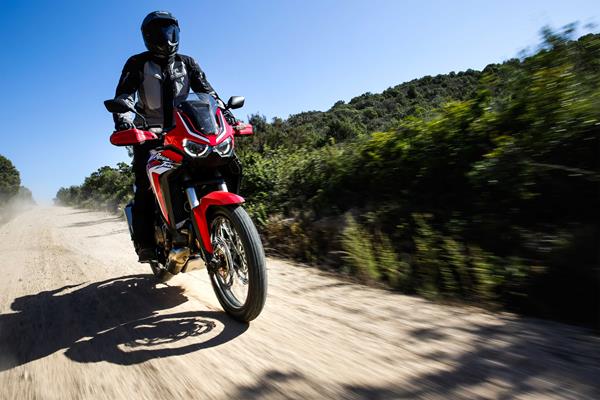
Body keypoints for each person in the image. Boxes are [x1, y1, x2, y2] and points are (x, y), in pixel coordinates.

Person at [113, 11, 230, 262]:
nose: (166, 38)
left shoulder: (188, 63)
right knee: (145, 184)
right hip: (150, 133)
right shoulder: (137, 63)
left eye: (170, 32)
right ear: (148, 36)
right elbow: (124, 95)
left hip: (186, 130)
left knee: (219, 163)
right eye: (159, 33)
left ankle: (216, 223)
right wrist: (124, 121)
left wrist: (227, 117)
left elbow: (209, 93)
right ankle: (145, 243)